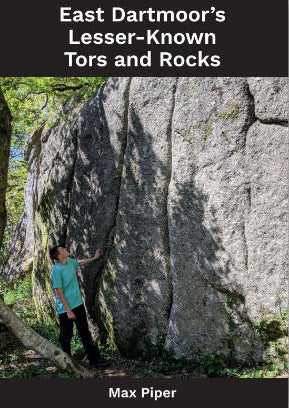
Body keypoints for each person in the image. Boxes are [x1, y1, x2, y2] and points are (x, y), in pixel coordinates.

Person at [49, 245, 108, 368]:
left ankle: (94, 360)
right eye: (63, 250)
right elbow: (59, 292)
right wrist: (68, 311)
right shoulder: (57, 270)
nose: (66, 249)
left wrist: (94, 258)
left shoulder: (69, 261)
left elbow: (78, 263)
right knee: (66, 337)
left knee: (85, 333)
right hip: (65, 309)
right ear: (59, 256)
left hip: (78, 305)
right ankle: (65, 363)